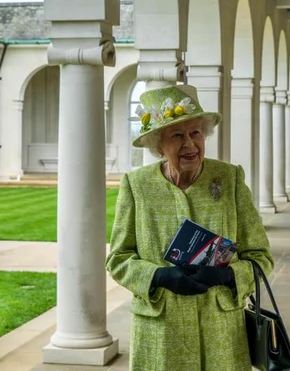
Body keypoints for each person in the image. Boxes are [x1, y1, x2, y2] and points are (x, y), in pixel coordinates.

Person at [105, 84, 274, 370]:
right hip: (160, 332)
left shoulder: (229, 179)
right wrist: (159, 276)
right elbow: (118, 260)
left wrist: (228, 276)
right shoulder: (137, 185)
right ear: (159, 144)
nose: (189, 144)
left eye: (195, 133)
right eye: (177, 135)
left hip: (220, 330)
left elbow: (261, 257)